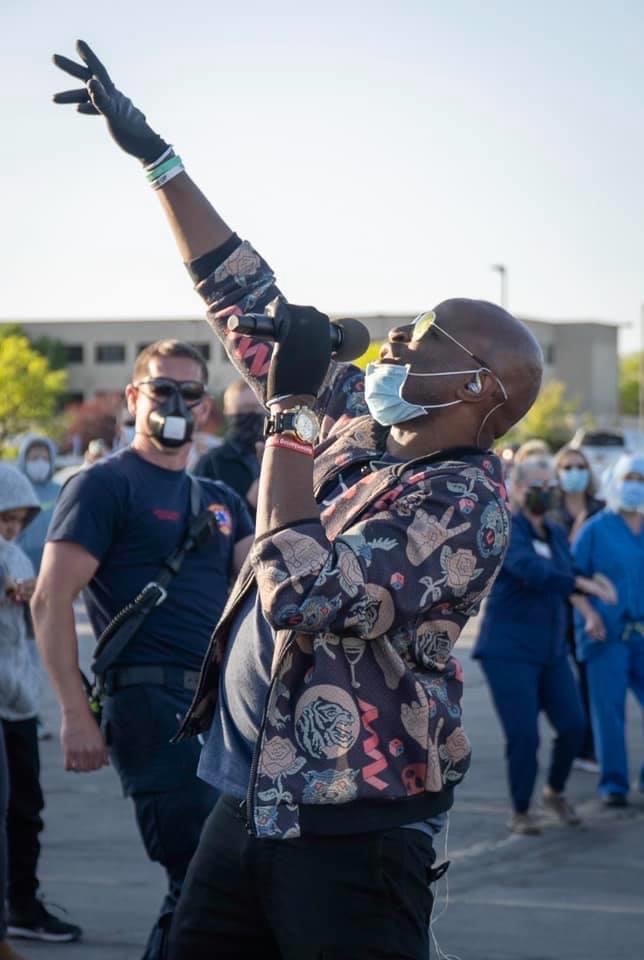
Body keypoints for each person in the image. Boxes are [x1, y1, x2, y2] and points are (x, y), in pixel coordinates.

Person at [51, 41, 544, 960]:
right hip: (246, 801)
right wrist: (159, 161)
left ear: (480, 390)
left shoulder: (464, 504)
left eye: (426, 336)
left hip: (351, 836)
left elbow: (304, 588)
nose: (397, 336)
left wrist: (285, 420)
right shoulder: (362, 422)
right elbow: (245, 300)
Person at [32, 339, 254, 960]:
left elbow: (270, 595)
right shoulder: (103, 486)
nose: (175, 403)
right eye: (162, 389)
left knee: (219, 889)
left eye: (189, 393)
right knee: (202, 883)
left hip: (220, 713)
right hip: (151, 706)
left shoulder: (221, 501)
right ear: (133, 398)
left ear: (206, 408)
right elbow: (50, 601)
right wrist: (76, 714)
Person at [472, 457, 616, 835]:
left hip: (550, 650)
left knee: (573, 725)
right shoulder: (508, 531)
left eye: (547, 485)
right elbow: (533, 572)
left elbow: (566, 577)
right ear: (516, 490)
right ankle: (521, 809)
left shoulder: (553, 534)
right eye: (533, 486)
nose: (543, 492)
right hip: (508, 650)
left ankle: (554, 791)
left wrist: (588, 610)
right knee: (524, 735)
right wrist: (582, 586)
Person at [0, 464, 81, 944]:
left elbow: (39, 620)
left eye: (16, 522)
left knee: (25, 808)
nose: (9, 531)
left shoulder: (22, 558)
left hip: (19, 699)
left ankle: (22, 903)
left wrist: (31, 598)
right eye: (2, 521)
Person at [572, 453, 644, 807]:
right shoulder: (595, 529)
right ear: (617, 480)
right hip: (606, 635)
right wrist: (590, 612)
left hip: (641, 633)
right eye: (630, 477)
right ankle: (614, 785)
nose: (635, 486)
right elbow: (570, 578)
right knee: (609, 714)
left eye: (642, 480)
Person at [550, 444, 605, 771]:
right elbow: (557, 556)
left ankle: (589, 747)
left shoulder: (599, 508)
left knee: (590, 679)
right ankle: (571, 737)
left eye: (579, 467)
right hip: (559, 604)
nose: (574, 473)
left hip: (592, 603)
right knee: (561, 681)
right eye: (567, 467)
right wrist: (578, 531)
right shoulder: (551, 510)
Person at [194, 378, 264, 517]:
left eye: (257, 408)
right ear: (228, 413)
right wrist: (248, 504)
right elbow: (203, 519)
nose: (252, 414)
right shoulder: (211, 464)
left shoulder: (280, 457)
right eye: (245, 409)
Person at [16, 435, 61, 575]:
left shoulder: (60, 491)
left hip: (54, 563)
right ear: (24, 461)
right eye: (34, 458)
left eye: (45, 458)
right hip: (20, 564)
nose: (40, 463)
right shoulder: (15, 490)